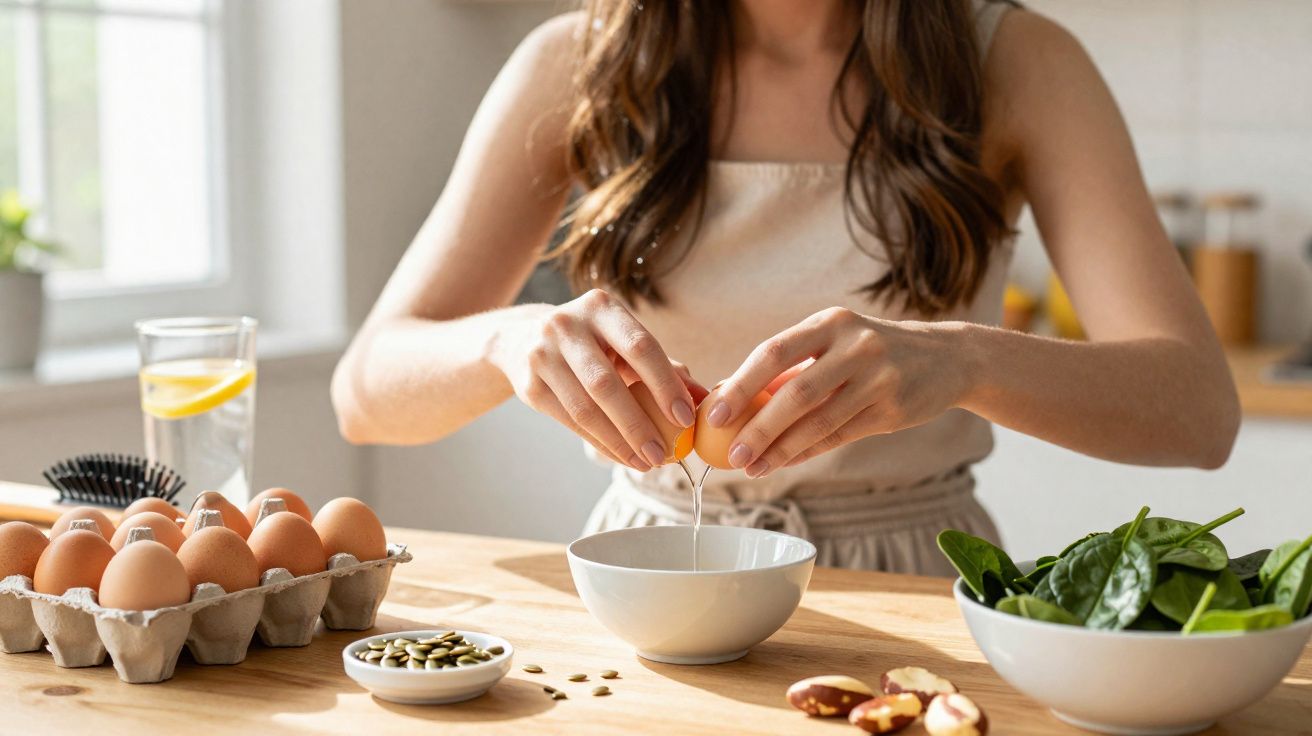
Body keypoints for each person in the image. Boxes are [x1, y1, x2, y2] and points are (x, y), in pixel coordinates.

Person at [331, 0, 1240, 575]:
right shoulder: (575, 61)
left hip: (910, 578)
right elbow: (366, 394)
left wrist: (962, 361)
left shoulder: (1019, 60)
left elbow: (1200, 413)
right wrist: (505, 340)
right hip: (650, 573)